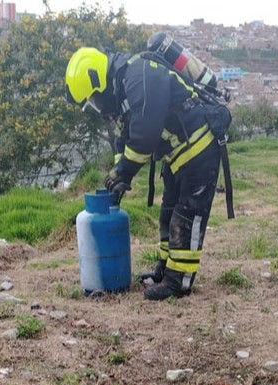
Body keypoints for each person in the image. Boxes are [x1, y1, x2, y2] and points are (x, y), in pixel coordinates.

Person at [65, 46, 228, 301]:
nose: (97, 107)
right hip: (178, 155)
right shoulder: (124, 88)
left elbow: (144, 136)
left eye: (94, 100)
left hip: (199, 150)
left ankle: (178, 283)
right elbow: (124, 138)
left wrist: (123, 173)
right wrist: (119, 175)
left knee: (186, 216)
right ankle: (165, 271)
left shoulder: (140, 76)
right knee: (167, 216)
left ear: (99, 81)